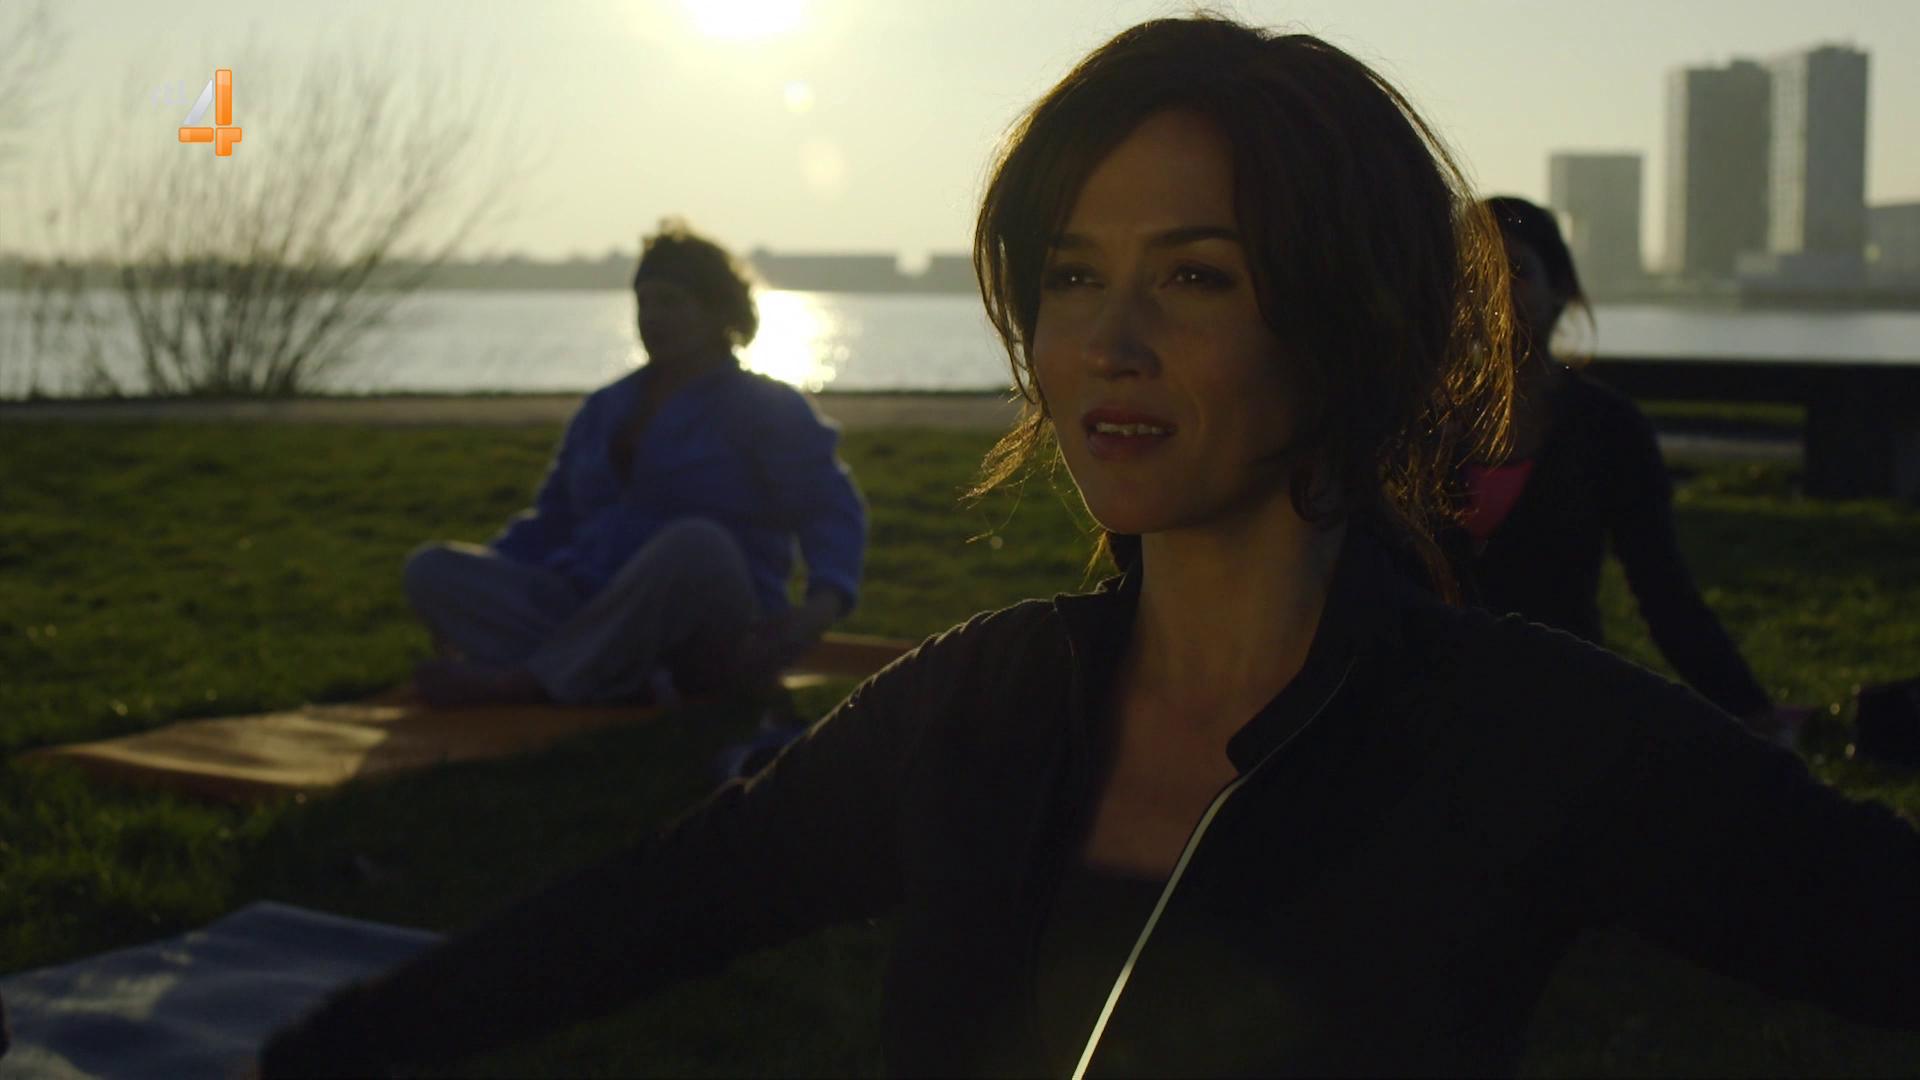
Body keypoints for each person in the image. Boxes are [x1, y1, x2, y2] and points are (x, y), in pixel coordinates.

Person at [261, 18, 1920, 1076]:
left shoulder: (1524, 733)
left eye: (1195, 276)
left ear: (1346, 324)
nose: (1106, 343)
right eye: (1071, 276)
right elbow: (649, 911)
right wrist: (318, 1053)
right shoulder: (978, 705)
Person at [400, 219, 867, 707]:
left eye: (671, 302)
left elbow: (828, 506)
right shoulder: (605, 408)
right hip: (589, 601)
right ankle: (615, 673)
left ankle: (528, 682)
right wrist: (486, 577)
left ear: (717, 312)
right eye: (644, 302)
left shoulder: (766, 406)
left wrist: (822, 605)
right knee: (431, 569)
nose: (653, 317)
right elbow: (552, 520)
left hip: (710, 619)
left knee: (697, 544)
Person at [1457, 196, 1813, 741]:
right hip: (1439, 709)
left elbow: (1662, 589)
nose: (1497, 290)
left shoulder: (1608, 428)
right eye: (1478, 273)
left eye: (1518, 270)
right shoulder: (1426, 423)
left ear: (1562, 289)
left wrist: (1750, 710)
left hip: (1562, 710)